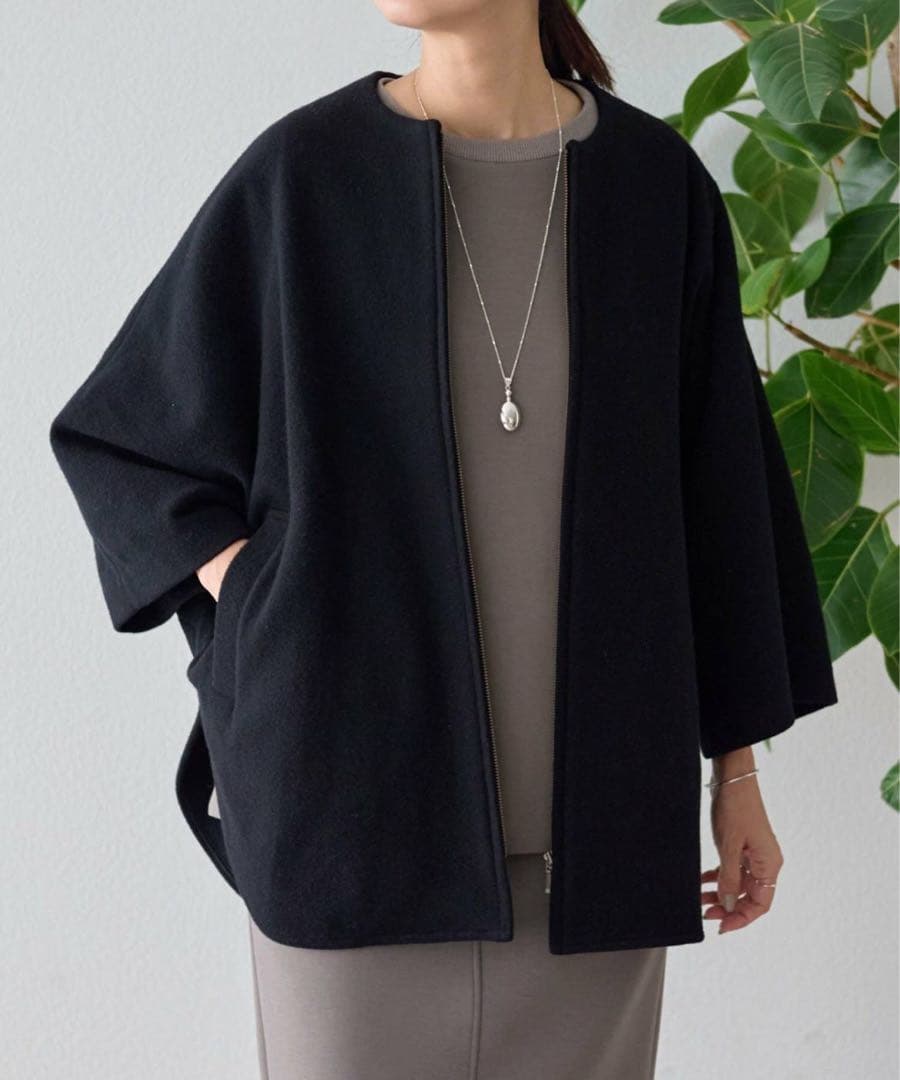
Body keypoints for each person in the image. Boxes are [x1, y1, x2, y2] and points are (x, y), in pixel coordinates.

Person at [48, 1, 839, 1077]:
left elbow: (721, 501)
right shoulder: (305, 177)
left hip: (599, 845)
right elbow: (125, 438)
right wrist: (275, 595)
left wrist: (736, 778)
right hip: (350, 818)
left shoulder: (655, 186)